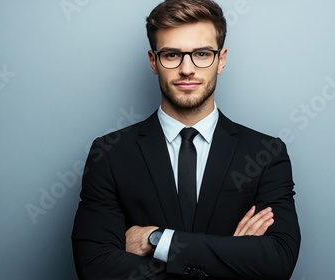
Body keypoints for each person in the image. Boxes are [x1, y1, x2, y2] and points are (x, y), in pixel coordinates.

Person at [71, 0, 301, 279]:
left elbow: (277, 261)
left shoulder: (266, 153)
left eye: (202, 53)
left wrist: (158, 240)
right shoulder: (109, 154)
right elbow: (95, 267)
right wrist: (233, 260)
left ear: (222, 59)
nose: (187, 69)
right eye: (171, 55)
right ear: (154, 61)